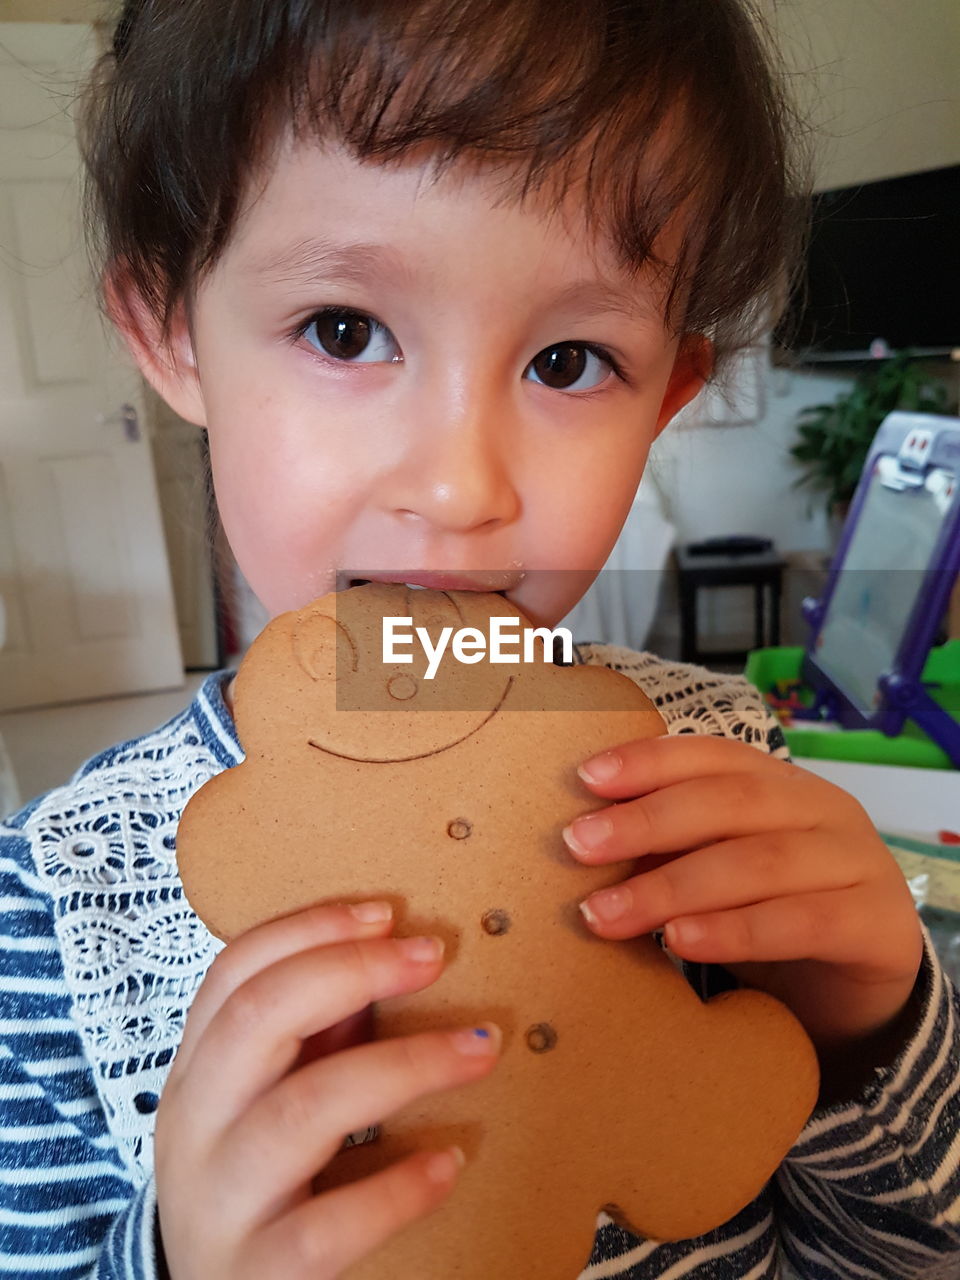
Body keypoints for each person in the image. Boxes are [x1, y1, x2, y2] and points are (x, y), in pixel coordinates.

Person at [1, 1, 957, 1276]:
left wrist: (867, 1031)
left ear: (668, 391)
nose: (460, 489)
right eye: (345, 330)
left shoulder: (730, 787)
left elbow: (902, 1256)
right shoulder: (50, 922)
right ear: (171, 332)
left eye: (569, 360)